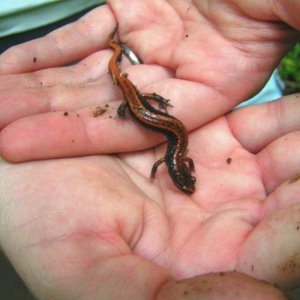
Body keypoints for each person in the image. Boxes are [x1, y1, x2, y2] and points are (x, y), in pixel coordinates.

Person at [0, 0, 299, 299]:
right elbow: (164, 163)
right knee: (128, 102)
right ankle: (115, 54)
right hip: (125, 95)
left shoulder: (175, 157)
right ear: (176, 170)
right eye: (184, 183)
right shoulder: (176, 154)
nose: (183, 182)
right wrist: (130, 120)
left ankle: (115, 49)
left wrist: (159, 173)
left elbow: (163, 165)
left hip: (124, 33)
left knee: (136, 98)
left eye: (184, 183)